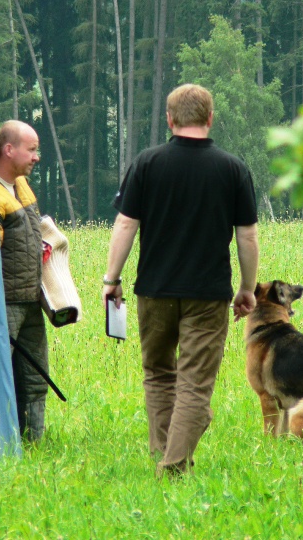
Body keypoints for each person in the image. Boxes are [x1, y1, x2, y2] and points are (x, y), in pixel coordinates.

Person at [102, 84, 259, 476]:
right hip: (207, 294)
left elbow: (125, 223)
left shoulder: (147, 163)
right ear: (210, 119)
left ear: (169, 120)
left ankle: (165, 453)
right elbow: (248, 235)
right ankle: (173, 465)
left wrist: (112, 278)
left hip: (154, 290)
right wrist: (246, 288)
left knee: (157, 373)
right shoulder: (233, 168)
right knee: (194, 384)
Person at [0, 120, 48, 442]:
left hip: (31, 301)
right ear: (9, 149)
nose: (36, 157)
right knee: (1, 375)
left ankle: (35, 442)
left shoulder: (22, 184)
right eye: (32, 149)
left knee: (36, 377)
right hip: (5, 304)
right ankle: (0, 441)